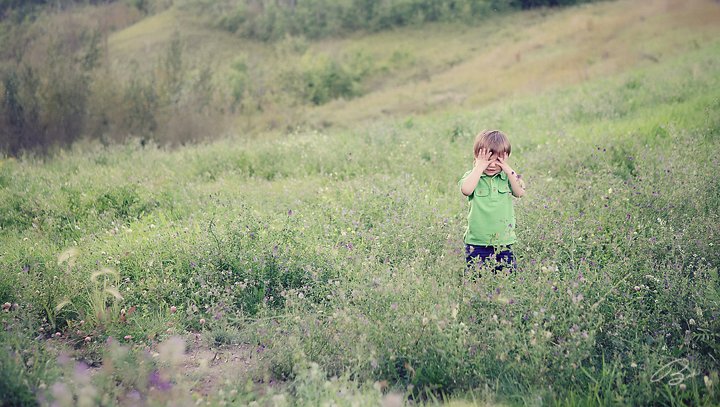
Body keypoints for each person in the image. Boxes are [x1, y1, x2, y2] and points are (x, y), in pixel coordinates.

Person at [459, 129, 525, 274]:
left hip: (504, 242)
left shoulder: (507, 178)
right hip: (477, 243)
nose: (492, 165)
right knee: (476, 280)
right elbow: (466, 190)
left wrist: (508, 170)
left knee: (507, 279)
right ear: (476, 157)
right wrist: (479, 167)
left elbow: (520, 192)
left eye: (497, 160)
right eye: (487, 160)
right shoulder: (473, 177)